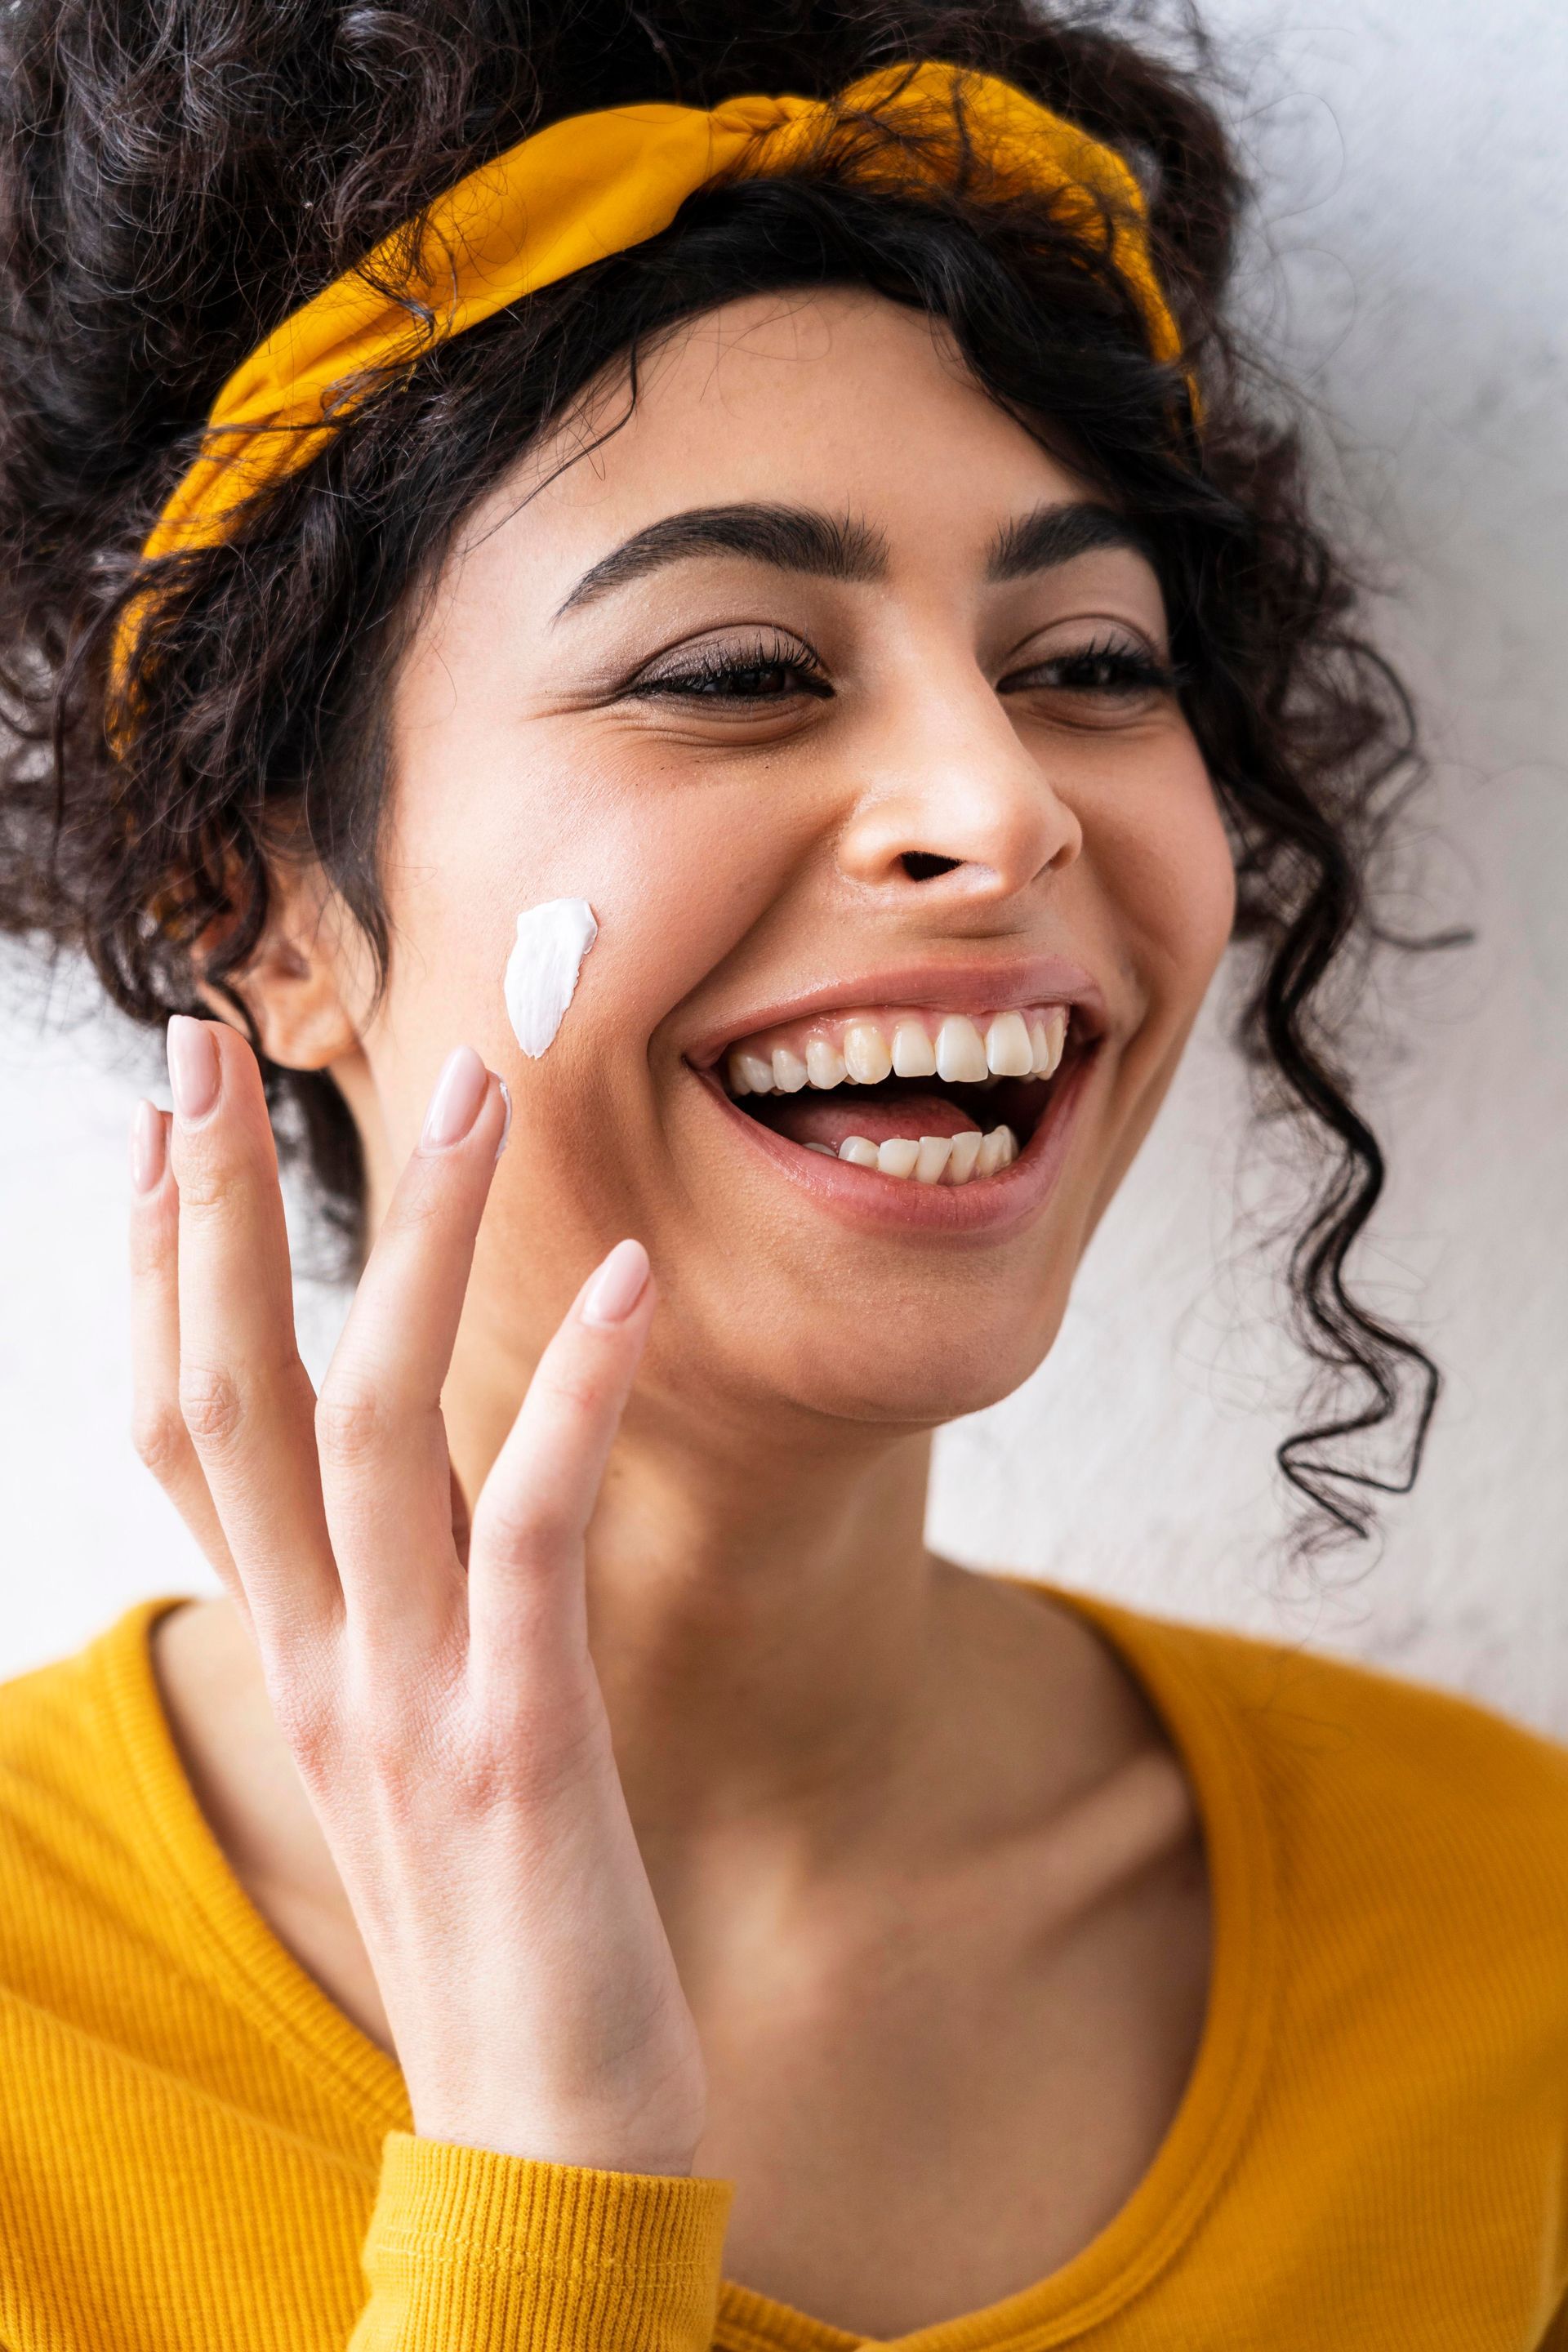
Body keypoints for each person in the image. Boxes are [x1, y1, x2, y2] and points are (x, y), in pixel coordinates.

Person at [1, 3, 1565, 2345]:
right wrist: (545, 2199)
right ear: (264, 912)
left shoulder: (1508, 1941)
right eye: (735, 669)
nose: (1003, 802)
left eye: (1092, 663)